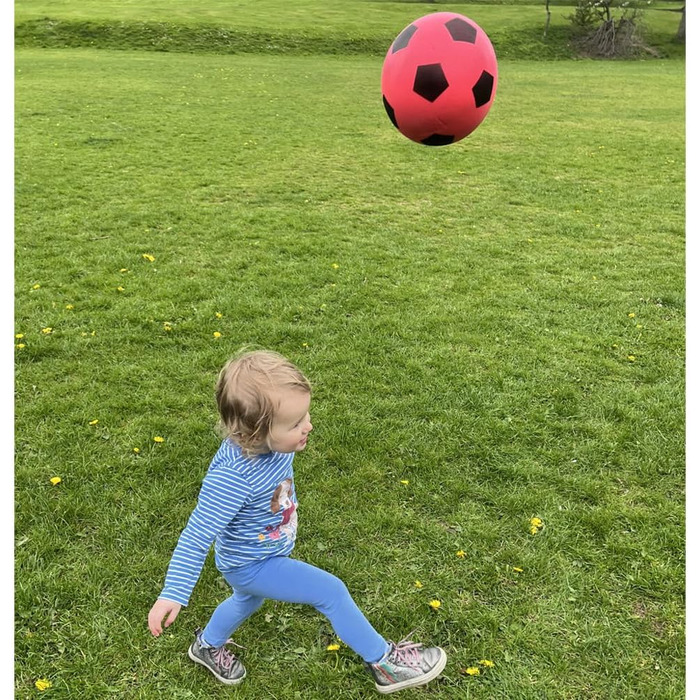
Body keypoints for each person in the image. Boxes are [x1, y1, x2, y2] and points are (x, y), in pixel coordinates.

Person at [147, 349, 447, 694]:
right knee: (331, 591)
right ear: (254, 434)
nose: (308, 426)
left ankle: (207, 646)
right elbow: (196, 536)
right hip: (252, 562)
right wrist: (173, 593)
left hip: (261, 552)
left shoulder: (272, 445)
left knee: (247, 600)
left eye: (305, 415)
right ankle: (386, 663)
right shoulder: (232, 478)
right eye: (295, 423)